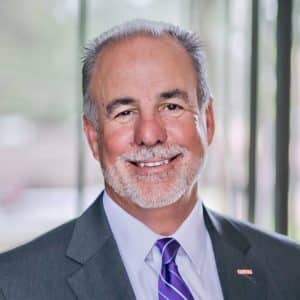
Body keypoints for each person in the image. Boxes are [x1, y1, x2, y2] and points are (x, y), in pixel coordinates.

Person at [0, 19, 299, 300]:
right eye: (124, 112)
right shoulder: (14, 285)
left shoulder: (289, 269)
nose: (149, 134)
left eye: (171, 106)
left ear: (207, 121)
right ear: (93, 137)